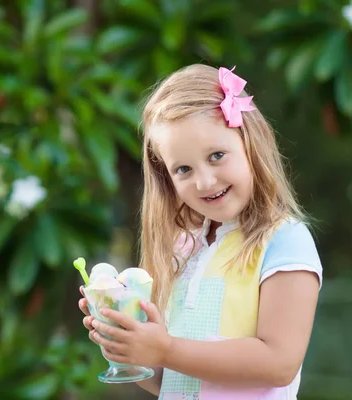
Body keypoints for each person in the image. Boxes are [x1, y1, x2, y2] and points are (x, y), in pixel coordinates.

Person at [78, 63, 322, 399]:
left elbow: (279, 363)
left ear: (252, 144)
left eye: (217, 155)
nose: (205, 181)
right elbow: (174, 381)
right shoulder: (184, 246)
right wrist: (129, 347)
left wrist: (165, 348)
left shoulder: (284, 240)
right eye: (183, 169)